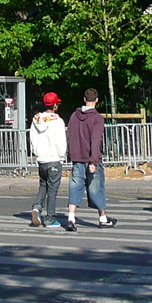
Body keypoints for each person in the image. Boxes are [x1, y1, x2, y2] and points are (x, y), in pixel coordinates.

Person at [65, 88, 110, 232]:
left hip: (77, 158)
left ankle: (71, 217)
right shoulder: (97, 118)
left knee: (75, 188)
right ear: (97, 100)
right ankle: (103, 218)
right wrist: (94, 161)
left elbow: (69, 135)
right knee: (96, 188)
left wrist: (70, 153)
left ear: (84, 99)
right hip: (91, 158)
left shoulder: (74, 116)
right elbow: (96, 140)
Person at [29, 93, 67, 227]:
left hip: (42, 159)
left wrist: (37, 153)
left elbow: (32, 139)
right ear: (55, 105)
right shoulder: (58, 121)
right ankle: (50, 218)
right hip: (54, 158)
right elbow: (60, 141)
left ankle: (37, 207)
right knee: (52, 190)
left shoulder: (36, 119)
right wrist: (62, 155)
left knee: (43, 185)